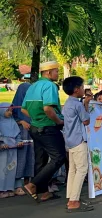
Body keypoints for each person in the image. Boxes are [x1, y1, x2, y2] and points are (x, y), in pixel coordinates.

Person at [21, 61, 66, 203]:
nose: (58, 74)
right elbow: (48, 108)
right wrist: (58, 121)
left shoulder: (32, 86)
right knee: (59, 157)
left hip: (35, 127)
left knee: (40, 160)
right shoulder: (49, 85)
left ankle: (44, 192)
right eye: (56, 71)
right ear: (48, 72)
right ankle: (32, 185)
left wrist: (36, 119)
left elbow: (23, 109)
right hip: (49, 127)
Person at [61, 76, 93, 212]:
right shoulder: (78, 105)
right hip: (79, 140)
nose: (83, 89)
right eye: (82, 87)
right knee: (81, 169)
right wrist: (86, 104)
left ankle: (71, 197)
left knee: (73, 170)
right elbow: (86, 121)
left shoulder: (68, 103)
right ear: (76, 89)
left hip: (70, 140)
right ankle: (74, 201)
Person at [10, 76, 34, 196]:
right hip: (20, 134)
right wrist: (21, 121)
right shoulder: (14, 106)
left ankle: (28, 182)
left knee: (31, 157)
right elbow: (9, 118)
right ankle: (17, 185)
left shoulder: (31, 104)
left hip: (32, 134)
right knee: (21, 158)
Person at [1, 103, 23, 198]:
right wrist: (1, 144)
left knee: (11, 168)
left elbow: (18, 135)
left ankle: (10, 188)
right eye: (7, 110)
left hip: (13, 149)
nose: (10, 113)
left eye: (11, 110)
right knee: (2, 169)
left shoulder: (12, 122)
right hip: (3, 151)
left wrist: (19, 142)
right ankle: (2, 189)